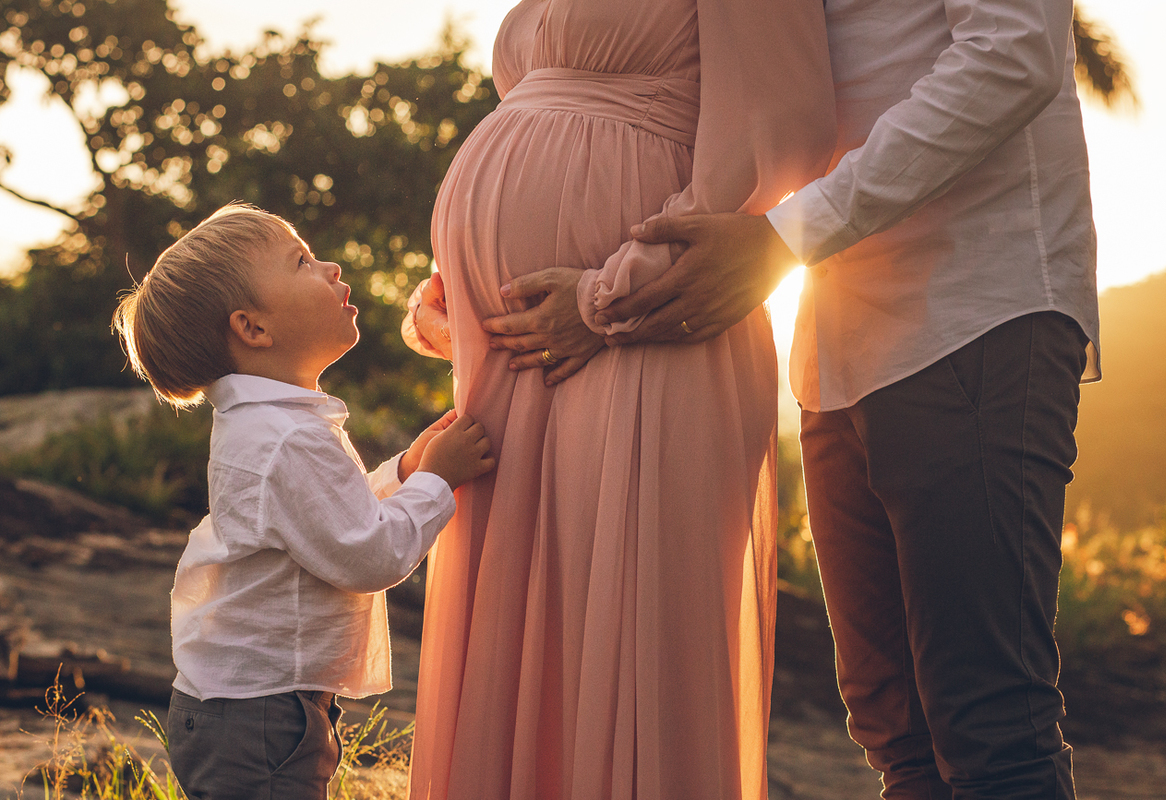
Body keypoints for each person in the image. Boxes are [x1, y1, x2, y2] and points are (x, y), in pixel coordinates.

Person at [470, 0, 1102, 796]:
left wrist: (785, 236)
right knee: (893, 727)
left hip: (971, 303)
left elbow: (1013, 56)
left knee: (988, 722)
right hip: (838, 329)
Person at [401, 1, 836, 798]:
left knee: (631, 645)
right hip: (525, 350)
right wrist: (452, 285)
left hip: (649, 326)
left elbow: (781, 128)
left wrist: (613, 291)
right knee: (515, 633)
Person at [111, 203, 495, 800]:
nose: (332, 267)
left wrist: (406, 471)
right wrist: (437, 483)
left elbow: (328, 521)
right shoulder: (285, 436)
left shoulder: (271, 424)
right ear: (254, 329)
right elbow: (368, 555)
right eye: (302, 262)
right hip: (259, 719)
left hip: (247, 708)